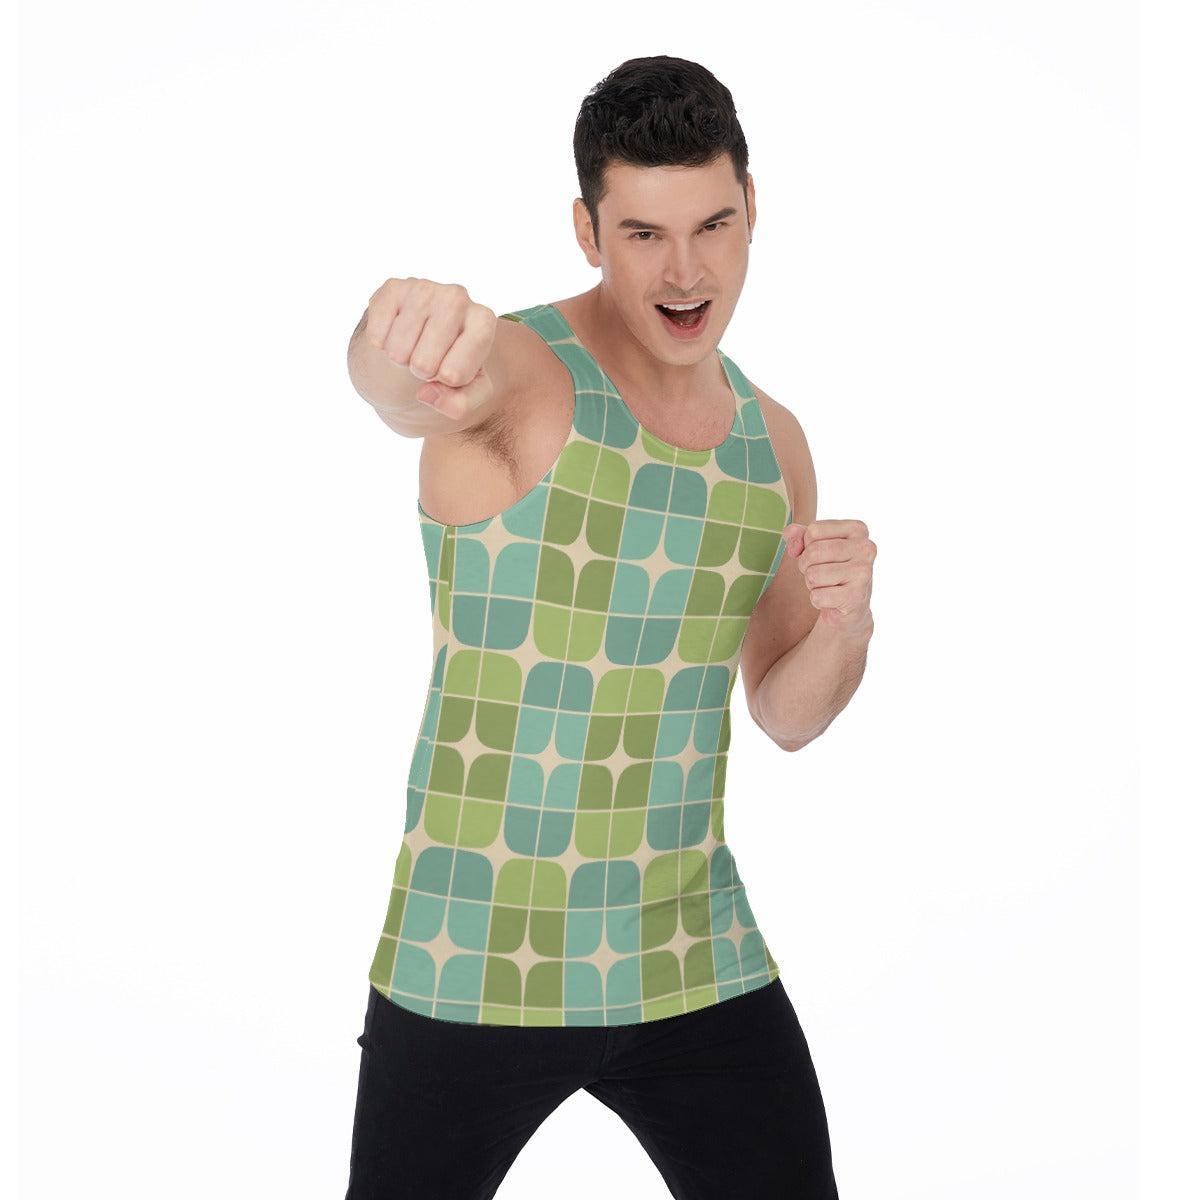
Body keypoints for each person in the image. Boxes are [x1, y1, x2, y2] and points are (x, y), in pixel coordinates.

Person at [342, 54, 876, 1200]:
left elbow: (785, 713)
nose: (686, 272)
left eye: (712, 225)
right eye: (643, 234)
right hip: (474, 956)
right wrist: (392, 346)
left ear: (751, 209)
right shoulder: (523, 373)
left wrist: (845, 628)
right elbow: (404, 391)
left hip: (689, 956)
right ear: (588, 230)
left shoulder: (773, 441)